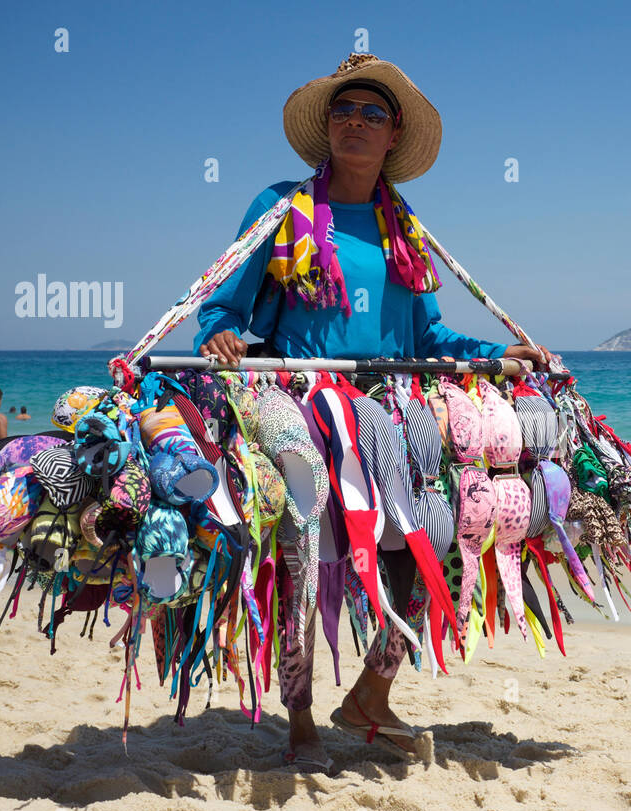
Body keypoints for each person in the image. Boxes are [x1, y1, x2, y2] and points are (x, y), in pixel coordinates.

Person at [195, 55, 557, 772]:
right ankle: (298, 716)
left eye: (371, 114)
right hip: (302, 395)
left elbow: (428, 338)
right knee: (300, 541)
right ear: (326, 127)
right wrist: (218, 334)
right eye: (343, 111)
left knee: (439, 535)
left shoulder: (405, 228)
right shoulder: (281, 206)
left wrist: (500, 353)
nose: (354, 123)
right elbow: (219, 304)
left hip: (388, 404)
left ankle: (371, 691)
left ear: (393, 135)